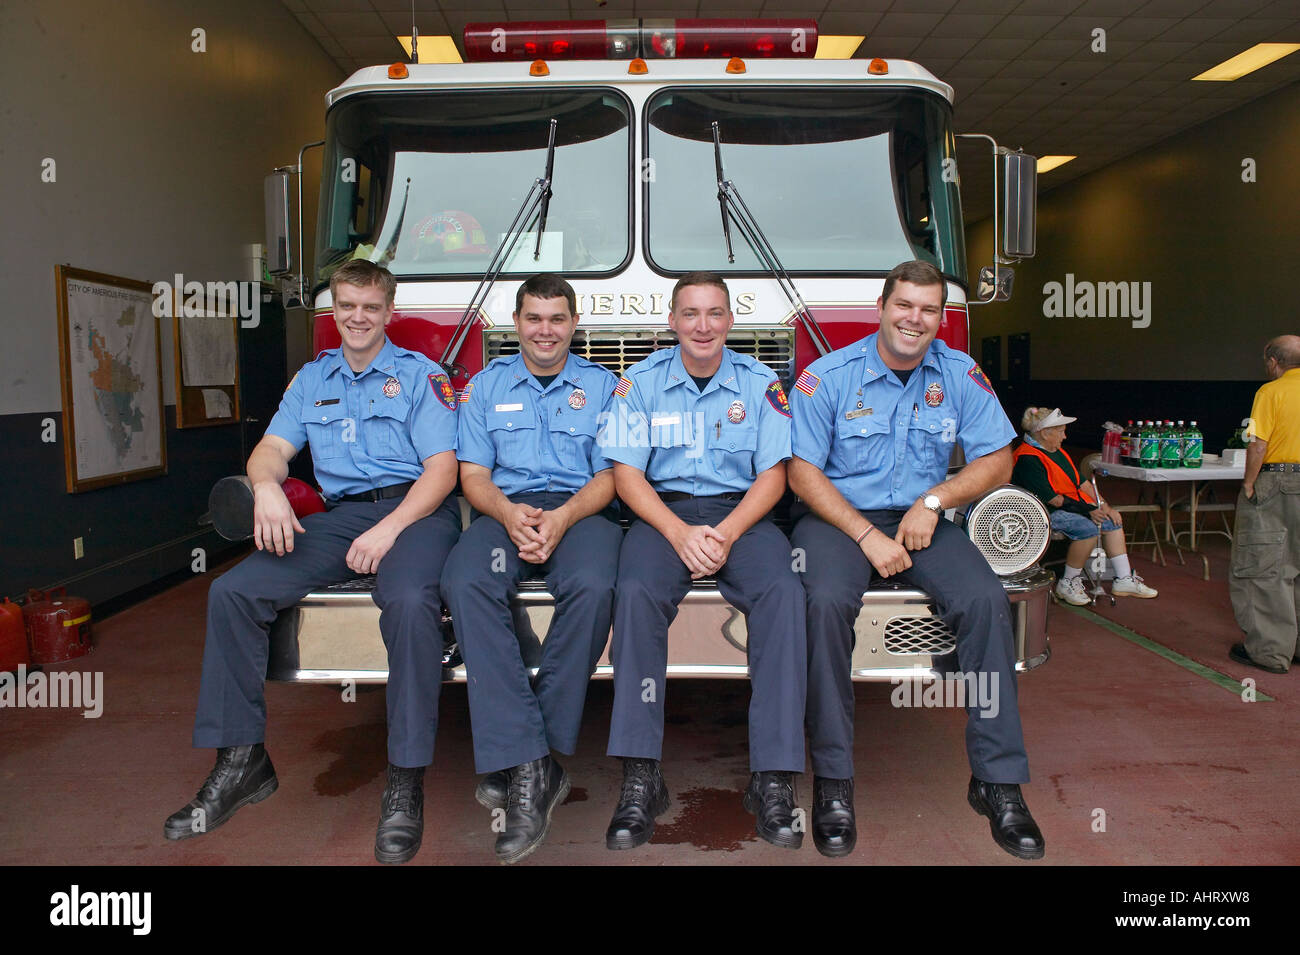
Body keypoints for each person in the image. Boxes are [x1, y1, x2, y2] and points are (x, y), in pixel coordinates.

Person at [164, 260, 461, 865]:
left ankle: (404, 783)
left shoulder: (419, 376)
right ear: (332, 311)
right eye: (347, 305)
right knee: (233, 592)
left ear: (388, 312)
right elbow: (273, 449)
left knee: (407, 601)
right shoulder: (311, 379)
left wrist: (390, 528)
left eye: (370, 306)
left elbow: (442, 470)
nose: (358, 317)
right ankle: (241, 760)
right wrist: (268, 486)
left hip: (417, 514)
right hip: (339, 516)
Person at [788, 259, 1045, 860]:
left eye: (930, 310)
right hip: (837, 520)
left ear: (940, 317)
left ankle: (998, 782)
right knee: (824, 603)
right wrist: (864, 535)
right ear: (881, 308)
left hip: (920, 517)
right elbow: (801, 472)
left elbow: (996, 461)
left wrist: (935, 500)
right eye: (905, 305)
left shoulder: (959, 373)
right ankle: (833, 783)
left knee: (985, 603)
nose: (916, 319)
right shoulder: (828, 375)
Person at [599, 271, 807, 851]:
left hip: (742, 516)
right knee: (635, 591)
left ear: (730, 322)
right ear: (672, 321)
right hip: (662, 515)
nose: (703, 326)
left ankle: (773, 779)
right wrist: (677, 531)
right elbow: (626, 474)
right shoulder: (638, 384)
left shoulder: (762, 383)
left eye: (715, 313)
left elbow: (774, 475)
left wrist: (726, 532)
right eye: (690, 314)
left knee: (784, 595)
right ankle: (641, 776)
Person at [441, 274, 621, 863]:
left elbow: (611, 476)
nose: (546, 330)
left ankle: (525, 761)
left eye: (558, 319)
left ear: (575, 325)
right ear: (515, 323)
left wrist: (564, 518)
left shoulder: (604, 388)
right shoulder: (483, 389)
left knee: (596, 585)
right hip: (502, 515)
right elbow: (473, 476)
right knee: (465, 580)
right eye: (534, 318)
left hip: (581, 514)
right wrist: (508, 514)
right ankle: (532, 763)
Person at [1012, 406, 1158, 605]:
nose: (1064, 436)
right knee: (1087, 529)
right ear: (1045, 433)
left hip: (1070, 506)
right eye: (1061, 431)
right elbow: (1054, 500)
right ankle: (1068, 582)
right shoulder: (1027, 458)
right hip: (1045, 512)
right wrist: (1089, 510)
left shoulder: (1057, 451)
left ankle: (1123, 579)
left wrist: (1104, 506)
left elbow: (1084, 484)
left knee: (1111, 521)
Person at [1229, 335, 1300, 675]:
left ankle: (1270, 652)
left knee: (1265, 564)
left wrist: (1249, 483)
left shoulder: (1271, 392)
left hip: (1280, 480)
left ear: (1274, 362)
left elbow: (1259, 444)